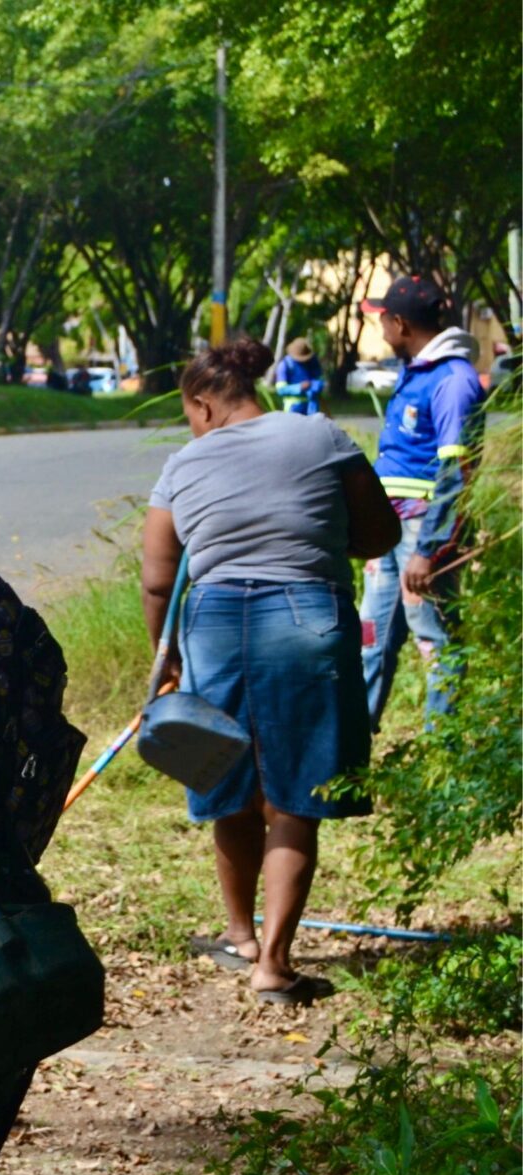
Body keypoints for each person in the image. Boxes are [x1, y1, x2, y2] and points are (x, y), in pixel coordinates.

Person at [142, 337, 399, 1005]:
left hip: (217, 623)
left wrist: (163, 658)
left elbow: (156, 579)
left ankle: (240, 935)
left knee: (225, 775)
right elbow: (380, 536)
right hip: (307, 613)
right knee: (294, 797)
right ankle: (274, 964)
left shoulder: (181, 465)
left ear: (202, 404)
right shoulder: (318, 435)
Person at [357, 274, 483, 727]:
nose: (381, 330)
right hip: (388, 530)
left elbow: (457, 473)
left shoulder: (453, 380)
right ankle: (353, 754)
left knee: (434, 639)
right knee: (370, 637)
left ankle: (441, 753)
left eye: (382, 321)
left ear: (400, 323)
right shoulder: (416, 371)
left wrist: (429, 551)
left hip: (422, 533)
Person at [272, 337, 325, 416]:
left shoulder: (312, 362)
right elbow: (281, 389)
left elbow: (320, 381)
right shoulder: (285, 365)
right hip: (293, 408)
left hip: (311, 407)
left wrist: (313, 385)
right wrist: (300, 387)